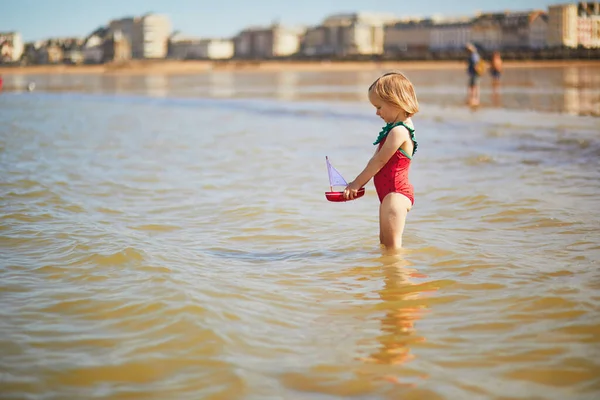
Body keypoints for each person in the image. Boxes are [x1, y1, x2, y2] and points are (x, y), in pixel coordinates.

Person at [343, 72, 419, 249]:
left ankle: (404, 275)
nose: (377, 112)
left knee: (393, 250)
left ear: (395, 102)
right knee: (385, 246)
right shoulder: (394, 128)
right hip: (388, 196)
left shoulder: (399, 131)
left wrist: (356, 184)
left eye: (379, 107)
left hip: (395, 195)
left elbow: (378, 162)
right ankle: (393, 275)